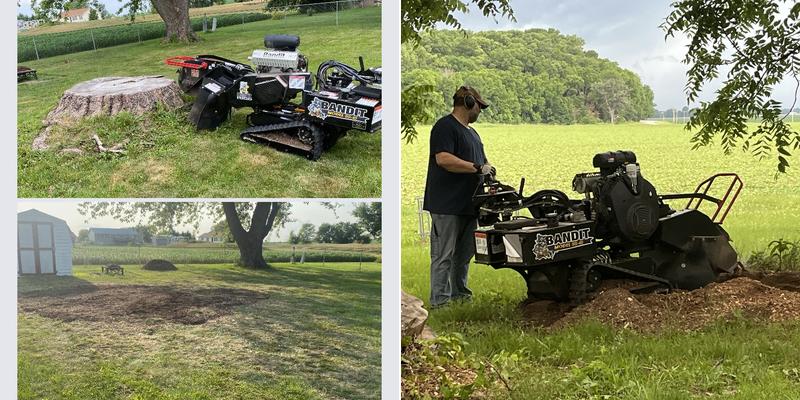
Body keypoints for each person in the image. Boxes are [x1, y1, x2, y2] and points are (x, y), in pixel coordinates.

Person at [423, 85, 495, 308]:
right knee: (443, 256)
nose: (480, 112)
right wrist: (476, 168)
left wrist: (488, 169)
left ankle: (460, 296)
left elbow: (482, 162)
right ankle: (440, 303)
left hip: (469, 205)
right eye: (479, 107)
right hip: (446, 205)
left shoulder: (473, 133)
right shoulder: (445, 126)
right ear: (468, 103)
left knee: (463, 257)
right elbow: (443, 159)